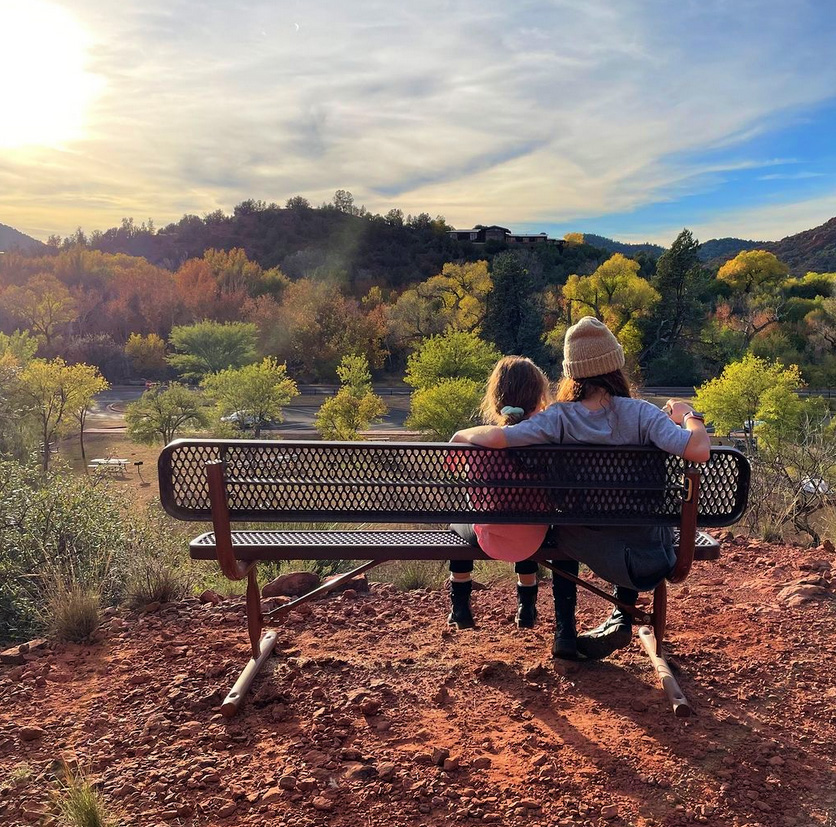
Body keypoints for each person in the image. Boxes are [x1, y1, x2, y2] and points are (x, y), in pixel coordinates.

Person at [450, 317, 710, 660]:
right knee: (632, 517)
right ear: (615, 365)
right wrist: (689, 414)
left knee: (564, 524)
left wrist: (463, 435)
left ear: (572, 372)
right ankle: (623, 612)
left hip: (579, 539)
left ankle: (565, 632)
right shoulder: (644, 415)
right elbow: (699, 450)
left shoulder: (558, 417)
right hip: (643, 551)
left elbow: (501, 437)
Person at [447, 356, 552, 630]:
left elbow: (449, 464)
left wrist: (465, 434)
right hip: (535, 538)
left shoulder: (480, 442)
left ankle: (460, 608)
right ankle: (526, 606)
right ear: (538, 396)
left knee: (460, 517)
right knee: (527, 513)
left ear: (496, 396)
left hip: (489, 538)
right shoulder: (547, 438)